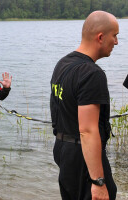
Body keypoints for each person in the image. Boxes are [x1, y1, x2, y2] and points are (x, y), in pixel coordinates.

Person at [50, 11, 118, 200]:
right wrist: (98, 181)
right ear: (101, 37)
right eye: (115, 36)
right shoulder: (92, 73)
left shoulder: (62, 64)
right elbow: (87, 130)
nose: (116, 42)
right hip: (83, 157)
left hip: (63, 149)